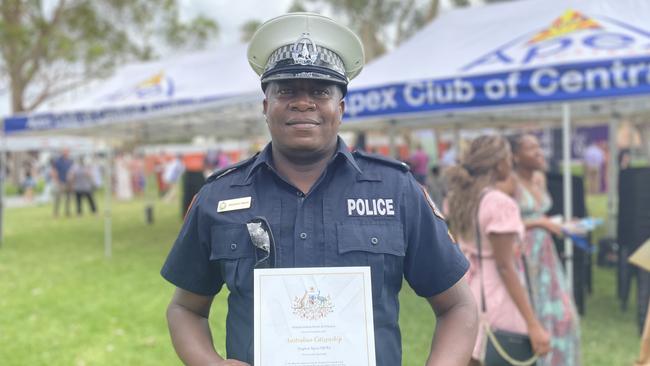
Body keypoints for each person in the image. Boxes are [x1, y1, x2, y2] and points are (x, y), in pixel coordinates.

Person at [161, 13, 478, 366]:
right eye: (286, 90)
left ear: (340, 108)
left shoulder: (395, 190)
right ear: (266, 107)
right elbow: (185, 309)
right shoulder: (218, 198)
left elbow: (457, 306)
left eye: (320, 91)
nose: (303, 102)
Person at [444, 136, 550, 365]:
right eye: (507, 157)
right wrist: (533, 324)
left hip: (468, 287)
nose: (511, 162)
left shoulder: (460, 198)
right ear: (498, 163)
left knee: (474, 354)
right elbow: (505, 266)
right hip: (497, 295)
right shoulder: (499, 203)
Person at [509, 134, 582, 365]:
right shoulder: (510, 183)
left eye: (539, 146)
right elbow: (504, 224)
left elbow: (540, 215)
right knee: (535, 309)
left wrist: (562, 224)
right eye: (531, 148)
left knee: (563, 313)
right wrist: (540, 224)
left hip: (546, 253)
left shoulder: (539, 178)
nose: (539, 152)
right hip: (523, 254)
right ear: (515, 156)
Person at [52, 148, 73, 217]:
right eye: (65, 151)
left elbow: (72, 171)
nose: (66, 153)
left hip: (69, 182)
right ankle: (56, 213)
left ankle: (67, 212)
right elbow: (54, 171)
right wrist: (56, 181)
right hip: (60, 181)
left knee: (68, 198)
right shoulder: (58, 161)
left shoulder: (70, 161)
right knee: (58, 198)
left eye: (67, 151)